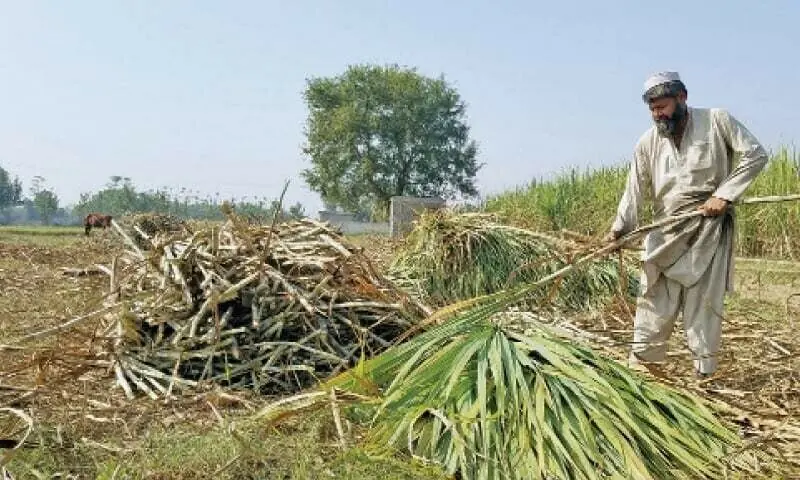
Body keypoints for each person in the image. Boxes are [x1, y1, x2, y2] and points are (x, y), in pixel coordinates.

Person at [604, 71, 769, 378]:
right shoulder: (647, 142)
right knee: (651, 309)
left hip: (708, 234)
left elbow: (756, 155)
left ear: (682, 98)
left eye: (662, 106)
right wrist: (619, 229)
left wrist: (724, 194)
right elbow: (634, 189)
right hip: (664, 236)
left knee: (703, 312)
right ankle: (643, 375)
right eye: (652, 108)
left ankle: (703, 381)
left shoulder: (717, 121)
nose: (658, 114)